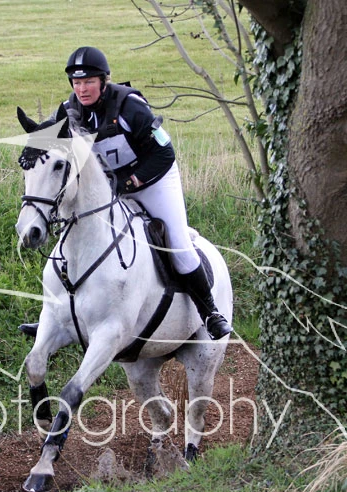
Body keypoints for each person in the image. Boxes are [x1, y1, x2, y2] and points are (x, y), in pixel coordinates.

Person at [21, 46, 231, 341]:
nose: (82, 89)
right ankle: (57, 318)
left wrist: (130, 182)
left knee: (178, 246)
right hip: (111, 185)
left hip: (154, 179)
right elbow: (51, 141)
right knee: (71, 234)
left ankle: (210, 312)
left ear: (103, 81)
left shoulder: (131, 107)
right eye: (77, 83)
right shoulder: (71, 111)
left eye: (89, 82)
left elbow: (164, 153)